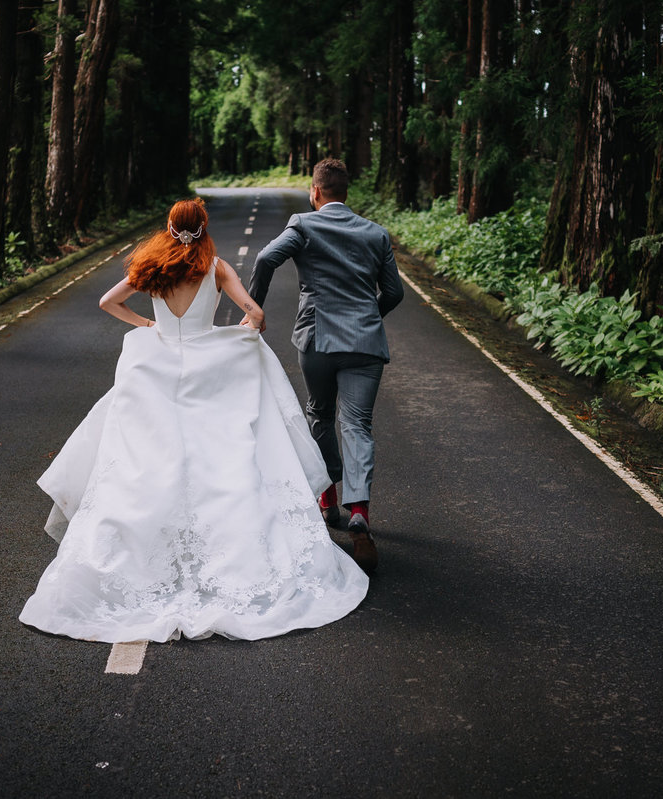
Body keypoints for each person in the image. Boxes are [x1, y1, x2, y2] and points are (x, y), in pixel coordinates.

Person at [20, 198, 368, 644]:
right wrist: (244, 330)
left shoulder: (151, 264)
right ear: (203, 228)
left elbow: (108, 302)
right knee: (220, 454)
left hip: (158, 362)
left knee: (145, 458)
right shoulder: (217, 267)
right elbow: (257, 315)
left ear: (169, 227)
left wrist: (147, 324)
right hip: (209, 363)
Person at [247, 158, 404, 573]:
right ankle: (360, 515)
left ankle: (328, 497)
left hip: (317, 339)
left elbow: (265, 259)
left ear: (314, 192)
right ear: (346, 193)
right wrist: (368, 317)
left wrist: (254, 310)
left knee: (319, 412)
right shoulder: (376, 233)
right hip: (365, 342)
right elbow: (394, 292)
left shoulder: (303, 224)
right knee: (357, 425)